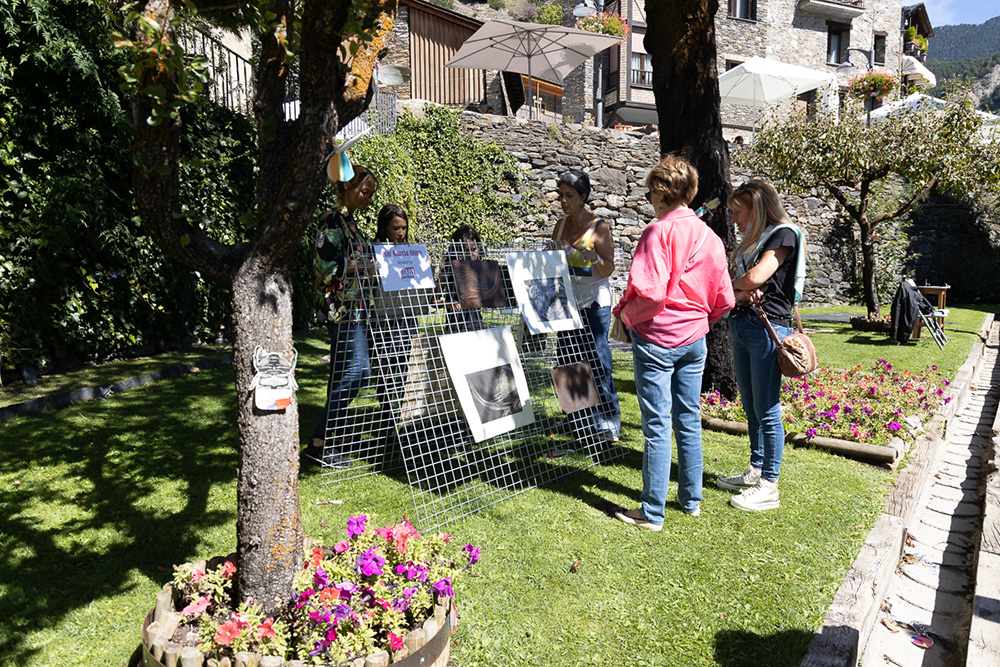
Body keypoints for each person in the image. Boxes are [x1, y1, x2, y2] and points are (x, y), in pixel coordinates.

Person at [613, 155, 735, 530]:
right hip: (695, 339)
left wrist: (625, 315)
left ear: (660, 192)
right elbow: (725, 300)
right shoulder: (709, 236)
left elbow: (650, 294)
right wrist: (700, 321)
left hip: (658, 339)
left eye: (651, 190)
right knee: (688, 420)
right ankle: (691, 500)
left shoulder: (657, 232)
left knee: (656, 425)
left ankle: (651, 512)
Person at [717, 179, 806, 511]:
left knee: (767, 407)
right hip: (743, 323)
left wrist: (735, 285)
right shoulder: (752, 242)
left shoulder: (783, 234)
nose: (735, 220)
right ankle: (756, 470)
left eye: (738, 212)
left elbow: (756, 277)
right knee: (752, 405)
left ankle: (770, 484)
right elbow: (747, 284)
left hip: (768, 328)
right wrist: (740, 289)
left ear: (756, 207)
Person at [305, 165, 379, 467]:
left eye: (371, 194)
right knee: (358, 372)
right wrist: (364, 267)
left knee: (340, 375)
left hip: (358, 309)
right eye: (364, 192)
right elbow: (325, 269)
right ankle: (319, 441)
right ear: (346, 187)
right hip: (344, 312)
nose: (368, 198)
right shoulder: (332, 221)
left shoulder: (351, 223)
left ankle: (329, 441)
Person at [552, 170, 621, 442]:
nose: (564, 201)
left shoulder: (599, 227)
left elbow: (609, 269)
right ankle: (577, 422)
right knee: (567, 360)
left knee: (597, 361)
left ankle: (606, 422)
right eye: (561, 195)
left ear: (583, 196)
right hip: (567, 301)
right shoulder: (559, 226)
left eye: (569, 195)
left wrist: (593, 258)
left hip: (594, 302)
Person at [368, 204, 416, 447]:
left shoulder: (411, 252)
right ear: (384, 227)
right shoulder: (373, 252)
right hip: (382, 319)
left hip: (406, 318)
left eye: (404, 228)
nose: (401, 233)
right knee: (384, 371)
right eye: (396, 228)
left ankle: (392, 422)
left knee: (401, 369)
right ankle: (387, 419)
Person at [439, 225, 485, 334]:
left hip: (477, 327)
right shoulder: (448, 270)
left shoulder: (482, 270)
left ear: (479, 247)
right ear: (457, 250)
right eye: (465, 251)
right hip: (454, 328)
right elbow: (433, 301)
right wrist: (448, 303)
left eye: (473, 249)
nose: (470, 255)